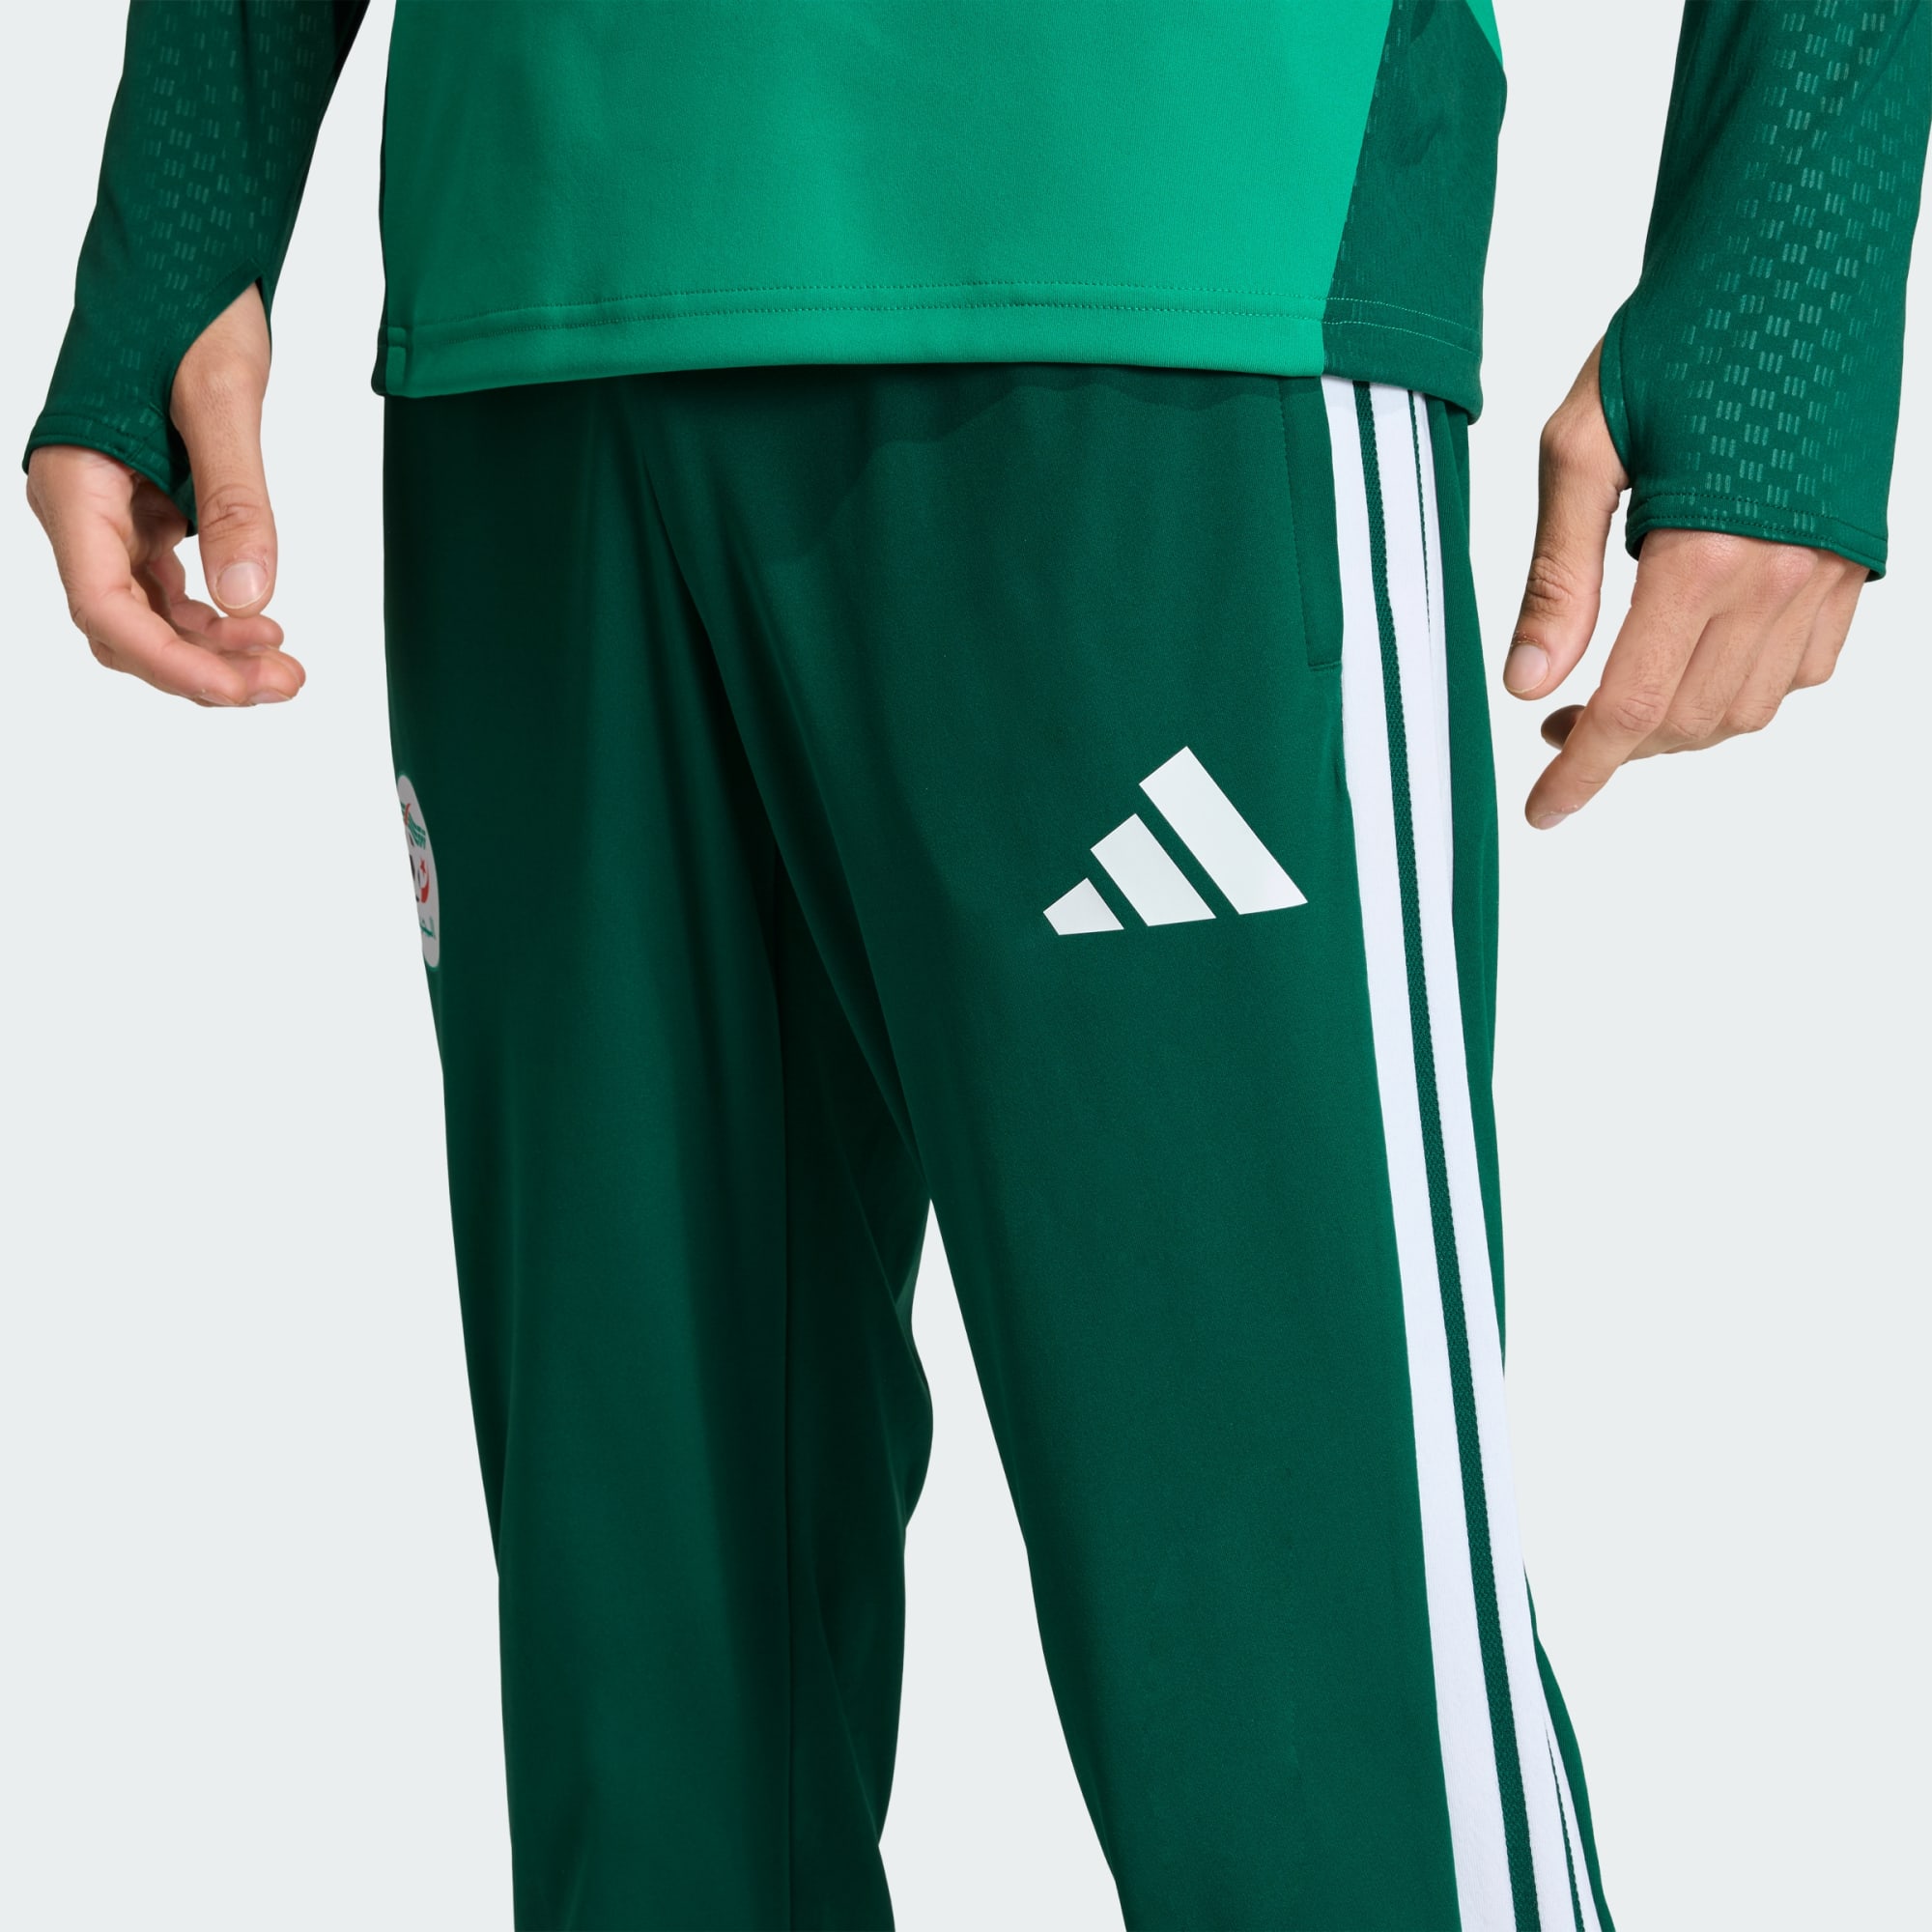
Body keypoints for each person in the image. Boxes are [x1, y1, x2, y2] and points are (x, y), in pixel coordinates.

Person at [22, 5, 1927, 1928]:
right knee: (652, 1769)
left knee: (1314, 1754)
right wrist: (193, 185)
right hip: (534, 291)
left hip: (1162, 257)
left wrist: (1792, 276)